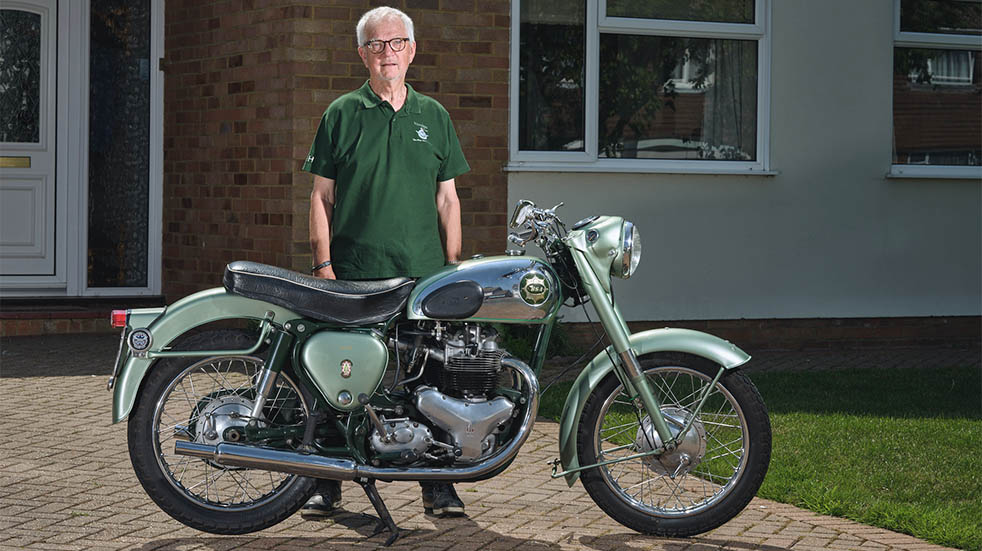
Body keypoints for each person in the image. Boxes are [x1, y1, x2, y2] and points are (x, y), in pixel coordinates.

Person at [300, 6, 470, 518]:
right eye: (376, 45)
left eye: (397, 44)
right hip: (352, 275)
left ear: (412, 50)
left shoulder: (435, 116)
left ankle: (437, 486)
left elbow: (448, 200)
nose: (387, 53)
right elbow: (320, 198)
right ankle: (325, 482)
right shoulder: (340, 114)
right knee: (339, 377)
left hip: (422, 276)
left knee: (431, 379)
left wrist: (453, 267)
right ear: (362, 54)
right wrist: (324, 267)